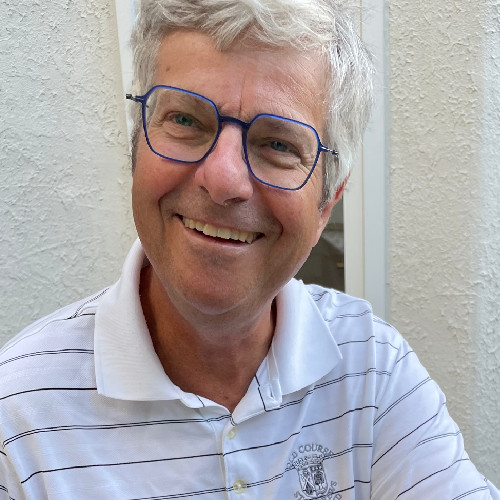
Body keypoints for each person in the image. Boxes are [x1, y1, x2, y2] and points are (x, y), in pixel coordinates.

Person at [0, 0, 498, 498]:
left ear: (326, 203)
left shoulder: (374, 368)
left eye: (279, 144)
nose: (223, 180)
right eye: (185, 119)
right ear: (137, 147)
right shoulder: (17, 419)